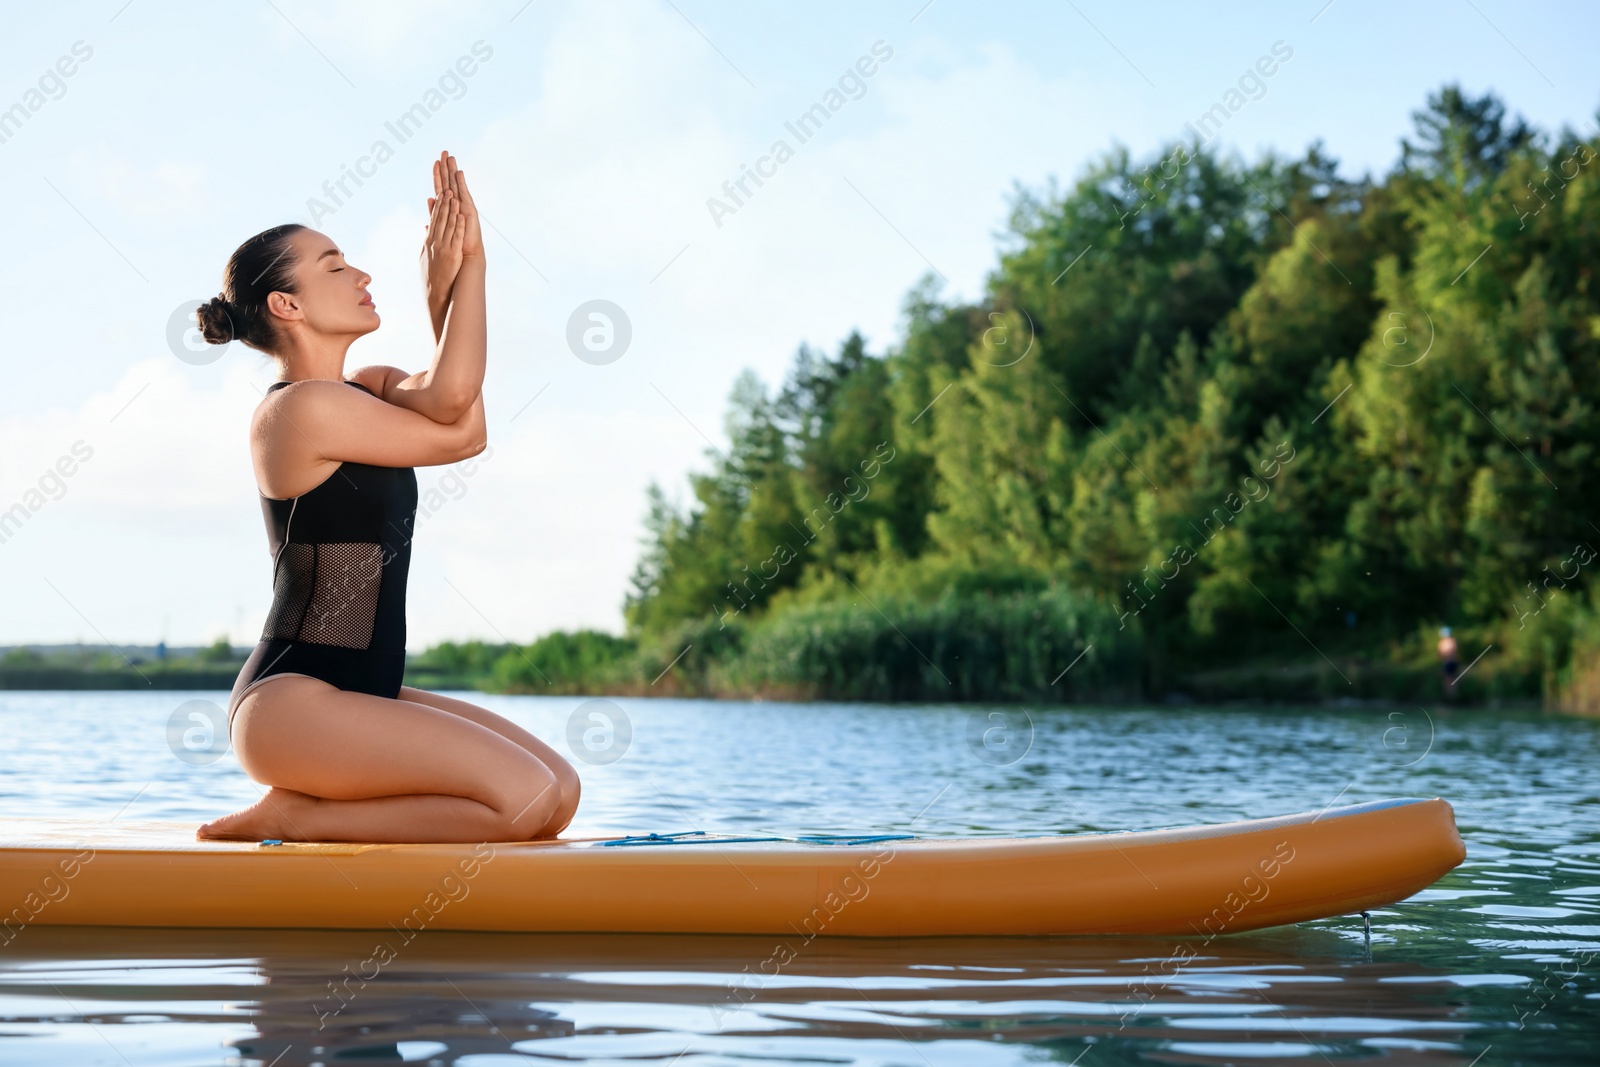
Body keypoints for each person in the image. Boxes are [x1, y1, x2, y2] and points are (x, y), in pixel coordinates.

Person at [196, 152, 579, 844]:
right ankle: (301, 815)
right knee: (522, 801)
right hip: (292, 703)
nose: (363, 274)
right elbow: (459, 427)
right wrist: (468, 272)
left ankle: (313, 813)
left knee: (558, 792)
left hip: (357, 696)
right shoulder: (295, 412)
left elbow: (460, 413)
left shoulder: (365, 386)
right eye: (335, 266)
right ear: (287, 304)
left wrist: (456, 286)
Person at [1437, 626, 1459, 694]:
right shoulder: (1443, 642)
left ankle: (1453, 693)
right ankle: (1449, 693)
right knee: (1447, 678)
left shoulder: (1451, 641)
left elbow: (1453, 651)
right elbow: (1440, 653)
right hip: (1447, 662)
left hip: (1452, 662)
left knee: (1453, 677)